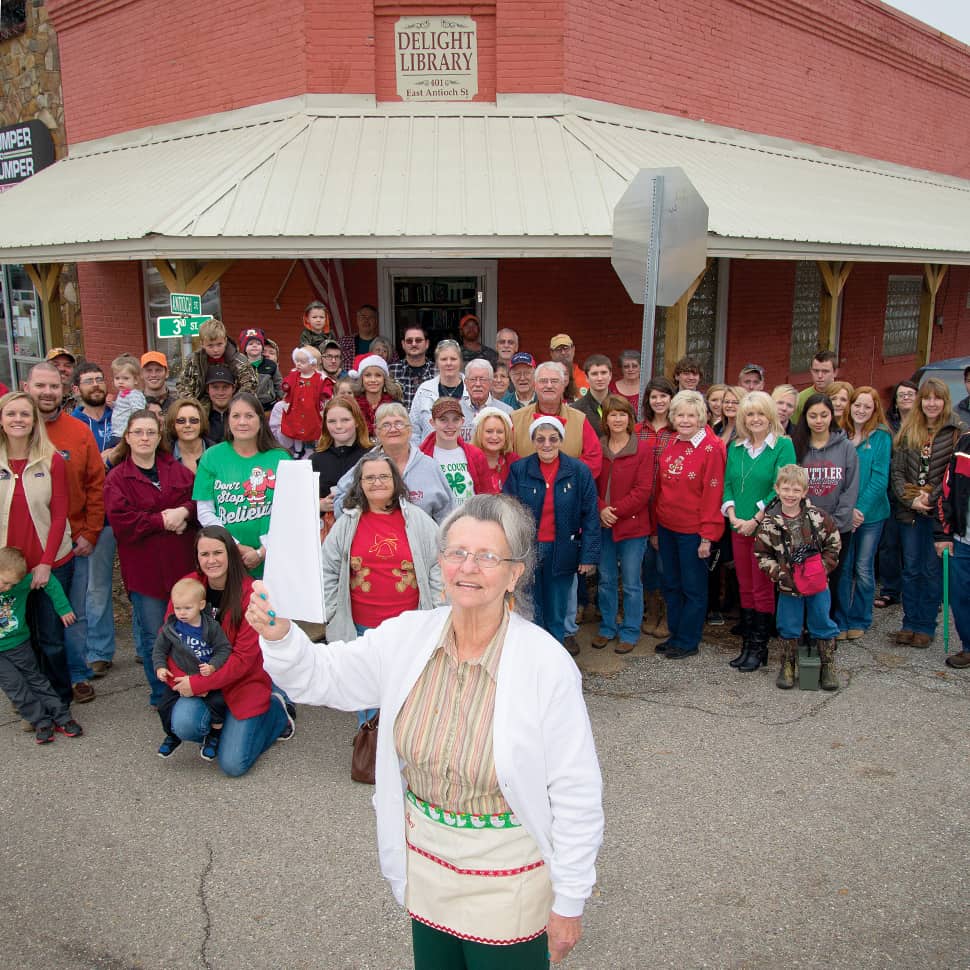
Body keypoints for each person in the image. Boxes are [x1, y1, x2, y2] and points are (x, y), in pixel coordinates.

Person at [252, 494, 604, 967]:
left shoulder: (546, 664)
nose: (468, 568)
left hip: (508, 879)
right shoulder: (407, 636)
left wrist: (570, 900)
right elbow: (324, 676)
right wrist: (280, 637)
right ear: (440, 562)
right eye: (456, 553)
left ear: (514, 574)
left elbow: (576, 791)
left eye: (487, 556)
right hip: (427, 867)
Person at [322, 455, 442, 729]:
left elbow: (438, 563)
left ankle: (406, 744)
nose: (377, 482)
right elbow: (327, 569)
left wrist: (436, 608)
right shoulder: (348, 523)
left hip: (409, 625)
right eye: (370, 478)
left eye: (384, 477)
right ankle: (372, 745)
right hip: (363, 627)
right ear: (360, 484)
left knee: (408, 687)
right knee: (367, 690)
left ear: (395, 481)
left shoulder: (417, 519)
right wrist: (332, 610)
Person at [167, 525, 293, 776]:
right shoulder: (188, 587)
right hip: (203, 680)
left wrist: (200, 684)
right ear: (197, 557)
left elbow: (243, 659)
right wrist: (185, 680)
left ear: (230, 554)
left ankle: (278, 712)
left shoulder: (250, 593)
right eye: (205, 555)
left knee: (233, 765)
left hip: (243, 683)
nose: (211, 560)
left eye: (218, 553)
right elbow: (170, 640)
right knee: (183, 724)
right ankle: (221, 725)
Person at [104, 409, 197, 705]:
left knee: (188, 631)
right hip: (145, 575)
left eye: (151, 432)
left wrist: (184, 512)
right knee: (154, 637)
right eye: (138, 432)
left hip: (182, 569)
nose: (145, 438)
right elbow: (123, 522)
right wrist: (162, 521)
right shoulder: (118, 478)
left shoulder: (177, 470)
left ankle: (191, 686)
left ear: (159, 437)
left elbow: (198, 500)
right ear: (127, 438)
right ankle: (162, 695)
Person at [24, 363, 105, 703]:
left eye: (54, 386)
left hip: (72, 540)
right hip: (23, 541)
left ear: (65, 390)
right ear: (27, 387)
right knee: (29, 616)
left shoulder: (78, 431)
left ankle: (75, 673)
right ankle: (36, 683)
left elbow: (96, 484)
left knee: (74, 612)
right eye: (40, 385)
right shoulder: (15, 430)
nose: (47, 392)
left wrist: (91, 531)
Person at [0, 390, 74, 705]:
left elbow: (59, 516)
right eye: (11, 414)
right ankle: (32, 703)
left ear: (34, 421)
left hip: (50, 563)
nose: (18, 420)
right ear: (2, 419)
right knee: (18, 638)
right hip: (8, 570)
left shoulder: (52, 459)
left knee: (51, 639)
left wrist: (45, 563)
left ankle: (59, 701)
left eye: (24, 414)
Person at [503, 416, 600, 651]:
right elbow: (508, 511)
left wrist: (588, 556)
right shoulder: (519, 470)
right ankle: (534, 657)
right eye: (541, 439)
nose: (547, 444)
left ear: (561, 440)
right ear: (534, 441)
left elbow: (591, 516)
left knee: (557, 610)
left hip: (563, 550)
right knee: (531, 609)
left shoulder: (578, 471)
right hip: (529, 552)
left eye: (553, 439)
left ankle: (555, 656)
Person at [721, 391, 796, 671]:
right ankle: (747, 645)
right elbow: (728, 483)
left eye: (760, 414)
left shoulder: (782, 446)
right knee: (745, 585)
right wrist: (732, 515)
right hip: (738, 525)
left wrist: (755, 518)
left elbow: (781, 487)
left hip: (764, 527)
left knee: (762, 586)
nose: (755, 419)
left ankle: (760, 646)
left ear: (770, 416)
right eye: (750, 414)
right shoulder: (737, 448)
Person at [890, 378, 964, 648]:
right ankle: (909, 622)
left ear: (945, 401)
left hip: (938, 513)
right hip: (910, 512)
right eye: (927, 398)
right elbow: (896, 471)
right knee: (910, 569)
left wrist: (930, 499)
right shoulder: (909, 429)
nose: (931, 403)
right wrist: (911, 500)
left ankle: (925, 625)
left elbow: (955, 475)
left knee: (932, 570)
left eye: (937, 398)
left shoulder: (957, 432)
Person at [755, 464, 842, 691]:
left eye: (796, 490)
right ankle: (787, 663)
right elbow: (762, 554)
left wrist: (821, 569)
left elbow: (833, 543)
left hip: (817, 584)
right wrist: (780, 574)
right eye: (786, 489)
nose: (790, 495)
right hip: (788, 586)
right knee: (788, 624)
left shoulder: (818, 518)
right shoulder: (769, 523)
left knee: (822, 621)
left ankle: (827, 664)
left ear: (804, 492)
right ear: (777, 489)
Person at [653, 390, 726, 659]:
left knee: (692, 587)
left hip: (694, 530)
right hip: (667, 526)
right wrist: (655, 528)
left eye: (691, 415)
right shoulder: (672, 441)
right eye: (680, 414)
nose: (685, 420)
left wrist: (708, 536)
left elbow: (713, 493)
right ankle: (676, 634)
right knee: (671, 583)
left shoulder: (712, 446)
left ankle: (688, 640)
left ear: (701, 417)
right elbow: (660, 487)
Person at [193, 392, 291, 578]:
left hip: (275, 559)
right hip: (228, 559)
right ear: (228, 421)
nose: (242, 422)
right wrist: (235, 546)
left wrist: (263, 551)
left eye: (249, 416)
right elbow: (205, 511)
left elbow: (290, 513)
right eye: (236, 416)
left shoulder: (281, 457)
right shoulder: (212, 457)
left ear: (261, 420)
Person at [0, 546, 82, 744]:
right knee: (15, 687)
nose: (8, 588)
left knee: (36, 679)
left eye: (12, 584)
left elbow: (49, 580)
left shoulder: (19, 585)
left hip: (19, 644)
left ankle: (62, 717)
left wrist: (62, 608)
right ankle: (40, 721)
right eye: (4, 582)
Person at [591, 396, 652, 654]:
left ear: (630, 418)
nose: (617, 419)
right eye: (612, 415)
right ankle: (607, 627)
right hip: (603, 525)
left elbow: (644, 490)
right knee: (605, 579)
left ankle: (630, 630)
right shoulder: (598, 447)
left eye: (622, 414)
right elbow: (589, 484)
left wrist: (615, 511)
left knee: (631, 582)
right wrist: (600, 509)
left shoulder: (643, 449)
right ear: (605, 420)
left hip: (633, 526)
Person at [792, 393, 859, 619]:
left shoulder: (846, 447)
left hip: (838, 529)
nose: (818, 420)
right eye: (813, 416)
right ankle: (804, 626)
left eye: (824, 415)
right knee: (805, 576)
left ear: (832, 416)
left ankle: (824, 628)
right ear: (805, 418)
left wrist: (835, 524)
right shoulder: (797, 446)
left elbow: (850, 488)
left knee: (831, 578)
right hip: (804, 527)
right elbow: (791, 486)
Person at [333, 403, 454, 524]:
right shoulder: (366, 465)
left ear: (410, 429)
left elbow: (447, 514)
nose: (393, 429)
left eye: (399, 423)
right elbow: (339, 505)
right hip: (375, 538)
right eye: (386, 425)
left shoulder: (429, 466)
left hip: (421, 540)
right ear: (377, 431)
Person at [153, 576, 231, 760]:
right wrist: (160, 667)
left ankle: (215, 735)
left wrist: (213, 666)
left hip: (207, 677)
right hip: (181, 678)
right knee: (163, 706)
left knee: (218, 703)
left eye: (188, 608)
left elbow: (224, 648)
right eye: (178, 608)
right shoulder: (171, 628)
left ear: (201, 605)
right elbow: (159, 650)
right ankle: (172, 736)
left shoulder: (211, 627)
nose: (182, 613)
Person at [835, 387, 892, 640]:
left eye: (867, 407)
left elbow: (880, 479)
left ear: (874, 410)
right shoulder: (839, 434)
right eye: (857, 405)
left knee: (863, 568)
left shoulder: (881, 437)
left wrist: (860, 510)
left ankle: (860, 618)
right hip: (843, 513)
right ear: (851, 406)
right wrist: (847, 510)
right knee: (843, 567)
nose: (861, 410)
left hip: (871, 515)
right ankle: (841, 619)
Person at [636, 377, 676, 638]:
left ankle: (667, 616)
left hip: (669, 503)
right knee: (647, 563)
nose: (659, 401)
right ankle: (651, 611)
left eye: (664, 396)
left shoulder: (678, 430)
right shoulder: (638, 430)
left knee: (666, 565)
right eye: (654, 397)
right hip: (641, 504)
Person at [510, 362, 602, 476]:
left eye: (554, 381)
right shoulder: (515, 419)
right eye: (543, 381)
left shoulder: (579, 419)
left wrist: (566, 477)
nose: (549, 385)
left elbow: (594, 457)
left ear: (563, 386)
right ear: (535, 385)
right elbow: (507, 456)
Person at [874, 380, 918, 609]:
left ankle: (919, 592)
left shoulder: (924, 424)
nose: (906, 398)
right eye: (902, 395)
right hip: (889, 491)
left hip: (915, 494)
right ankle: (891, 590)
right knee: (888, 544)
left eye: (911, 394)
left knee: (915, 548)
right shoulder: (887, 424)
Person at [935, 427, 970, 668]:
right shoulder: (964, 445)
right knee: (960, 598)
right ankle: (968, 647)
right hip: (963, 540)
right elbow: (946, 493)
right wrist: (943, 534)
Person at [311, 397, 371, 536]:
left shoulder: (372, 455)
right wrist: (319, 506)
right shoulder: (315, 460)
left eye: (345, 420)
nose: (338, 426)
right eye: (332, 421)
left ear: (356, 421)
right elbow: (301, 502)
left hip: (366, 530)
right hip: (329, 535)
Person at [419, 397, 491, 504]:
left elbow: (486, 495)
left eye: (455, 419)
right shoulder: (421, 458)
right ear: (432, 422)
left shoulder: (476, 455)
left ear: (462, 421)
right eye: (443, 420)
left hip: (469, 518)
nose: (450, 426)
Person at [176, 318, 257, 406]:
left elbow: (250, 384)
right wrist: (194, 406)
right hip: (201, 403)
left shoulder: (239, 360)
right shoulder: (193, 361)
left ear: (225, 341)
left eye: (219, 344)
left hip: (234, 401)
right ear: (202, 344)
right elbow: (183, 386)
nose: (215, 350)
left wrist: (235, 404)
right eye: (210, 346)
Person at [410, 339, 471, 444]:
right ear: (437, 363)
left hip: (466, 456)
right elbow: (413, 430)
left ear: (460, 362)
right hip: (430, 456)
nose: (448, 363)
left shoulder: (471, 388)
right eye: (443, 359)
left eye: (453, 359)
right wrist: (418, 455)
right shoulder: (424, 390)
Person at [281, 345, 328, 458]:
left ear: (313, 364)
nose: (298, 364)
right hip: (296, 408)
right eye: (297, 361)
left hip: (312, 409)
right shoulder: (294, 375)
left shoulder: (319, 377)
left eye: (302, 362)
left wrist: (326, 393)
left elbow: (326, 386)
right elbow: (286, 384)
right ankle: (298, 449)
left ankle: (318, 446)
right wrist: (286, 386)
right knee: (296, 429)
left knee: (315, 428)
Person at [471, 406, 519, 493]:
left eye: (500, 432)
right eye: (489, 431)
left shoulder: (514, 462)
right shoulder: (470, 462)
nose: (494, 437)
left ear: (506, 435)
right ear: (479, 433)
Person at [354, 354, 402, 437]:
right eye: (368, 375)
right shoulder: (352, 405)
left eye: (378, 375)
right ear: (361, 379)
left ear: (384, 379)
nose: (373, 380)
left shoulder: (395, 405)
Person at [389, 325, 436, 410]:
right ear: (403, 344)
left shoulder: (437, 370)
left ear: (427, 344)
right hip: (400, 422)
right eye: (409, 341)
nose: (414, 344)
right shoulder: (391, 370)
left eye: (418, 340)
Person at [71, 362, 112, 456]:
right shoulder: (73, 423)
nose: (96, 385)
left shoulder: (119, 415)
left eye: (99, 380)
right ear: (76, 390)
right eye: (88, 381)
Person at [464, 358, 512, 437]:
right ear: (466, 383)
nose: (478, 384)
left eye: (483, 379)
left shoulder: (506, 411)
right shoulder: (456, 410)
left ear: (491, 382)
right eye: (473, 379)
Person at [164, 397, 212, 475]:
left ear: (201, 422)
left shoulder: (218, 452)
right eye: (181, 421)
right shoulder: (164, 456)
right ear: (172, 424)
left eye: (193, 420)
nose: (187, 425)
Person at [239, 327, 282, 413]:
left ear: (262, 347)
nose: (254, 346)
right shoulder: (240, 366)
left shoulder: (271, 365)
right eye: (250, 344)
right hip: (248, 406)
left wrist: (283, 399)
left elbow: (278, 383)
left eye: (258, 344)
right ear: (245, 349)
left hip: (269, 406)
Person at [108, 354, 148, 446]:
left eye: (125, 378)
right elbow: (122, 408)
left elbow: (138, 412)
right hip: (117, 432)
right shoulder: (122, 392)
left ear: (136, 380)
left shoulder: (134, 394)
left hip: (124, 433)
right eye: (117, 378)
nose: (120, 381)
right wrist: (112, 404)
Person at [338, 303, 386, 373]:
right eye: (363, 317)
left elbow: (394, 368)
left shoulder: (385, 345)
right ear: (357, 320)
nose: (366, 320)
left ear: (376, 321)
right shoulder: (343, 342)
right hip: (349, 382)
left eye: (371, 317)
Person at [794, 349, 838, 422]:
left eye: (825, 371)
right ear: (811, 371)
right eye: (816, 371)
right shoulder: (800, 398)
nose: (820, 376)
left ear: (835, 372)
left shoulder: (843, 397)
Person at [573, 354, 613, 430]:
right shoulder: (576, 410)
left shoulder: (623, 406)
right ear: (586, 377)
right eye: (594, 374)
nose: (600, 378)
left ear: (610, 375)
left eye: (604, 373)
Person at [202, 364, 237, 444]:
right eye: (215, 387)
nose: (220, 393)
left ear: (233, 389)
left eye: (225, 387)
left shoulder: (242, 417)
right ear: (207, 389)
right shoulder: (199, 419)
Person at [549, 334, 589, 401]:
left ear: (573, 349)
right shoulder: (545, 379)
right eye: (558, 349)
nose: (563, 352)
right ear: (551, 353)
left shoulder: (586, 378)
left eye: (566, 348)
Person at [46, 347, 78, 412]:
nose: (62, 369)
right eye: (56, 365)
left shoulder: (82, 398)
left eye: (67, 365)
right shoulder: (38, 398)